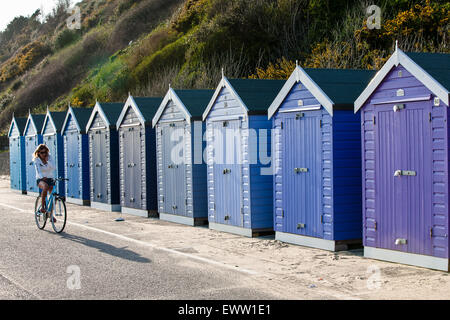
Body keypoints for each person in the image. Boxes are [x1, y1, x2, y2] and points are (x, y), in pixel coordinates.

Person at [33, 144, 56, 221]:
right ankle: (43, 207)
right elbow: (38, 171)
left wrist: (47, 161)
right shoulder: (37, 160)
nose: (44, 154)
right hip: (41, 179)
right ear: (38, 153)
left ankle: (50, 214)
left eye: (45, 152)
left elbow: (53, 167)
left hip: (50, 178)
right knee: (45, 187)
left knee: (53, 196)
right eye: (42, 152)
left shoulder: (49, 157)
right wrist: (42, 177)